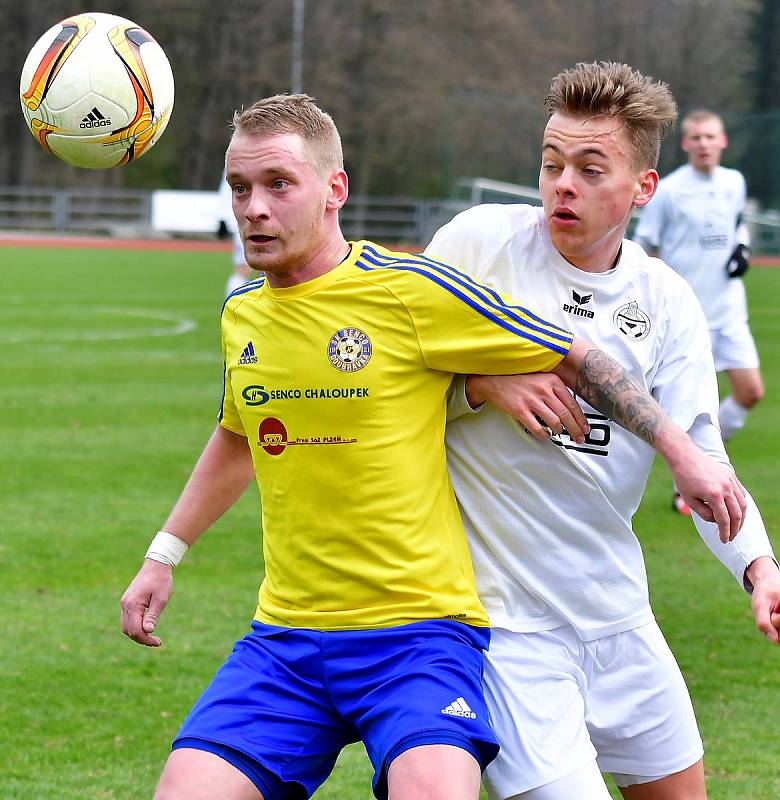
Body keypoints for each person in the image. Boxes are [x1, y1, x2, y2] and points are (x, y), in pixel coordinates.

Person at [120, 93, 746, 800]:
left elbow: (573, 353)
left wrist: (680, 450)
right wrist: (162, 556)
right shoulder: (242, 315)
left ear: (335, 191)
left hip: (418, 639)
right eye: (240, 188)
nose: (254, 208)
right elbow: (242, 435)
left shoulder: (411, 288)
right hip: (287, 640)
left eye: (277, 185)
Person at [425, 62, 780, 800]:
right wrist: (480, 387)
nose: (563, 184)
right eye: (553, 164)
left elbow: (700, 452)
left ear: (643, 188)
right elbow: (386, 383)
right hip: (505, 629)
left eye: (591, 169)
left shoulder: (666, 300)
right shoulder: (478, 246)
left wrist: (758, 565)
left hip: (618, 613)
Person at [634, 110, 763, 512]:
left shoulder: (734, 182)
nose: (704, 143)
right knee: (695, 413)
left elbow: (737, 223)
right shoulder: (669, 191)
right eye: (696, 138)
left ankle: (706, 465)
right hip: (690, 318)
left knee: (750, 391)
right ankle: (691, 484)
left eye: (711, 137)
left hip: (730, 311)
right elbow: (644, 246)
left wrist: (741, 246)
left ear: (722, 142)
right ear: (686, 144)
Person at [216, 165, 254, 296]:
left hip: (247, 218)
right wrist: (221, 218)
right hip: (244, 220)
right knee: (243, 269)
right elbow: (226, 189)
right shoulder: (236, 157)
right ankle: (233, 307)